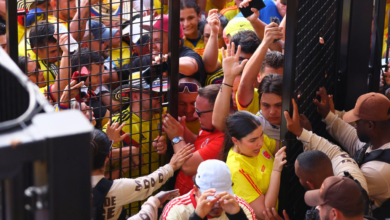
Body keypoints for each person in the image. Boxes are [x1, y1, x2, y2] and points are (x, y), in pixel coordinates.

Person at [90, 129, 194, 220]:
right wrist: (172, 166)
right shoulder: (116, 189)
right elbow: (150, 182)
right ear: (109, 154)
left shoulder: (73, 183)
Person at [314, 88, 390, 209]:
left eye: (357, 122)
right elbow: (352, 138)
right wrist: (328, 114)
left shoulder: (379, 170)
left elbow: (336, 187)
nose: (354, 126)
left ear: (370, 125)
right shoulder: (379, 140)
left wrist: (304, 136)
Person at [284, 98, 368, 192]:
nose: (354, 126)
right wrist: (303, 133)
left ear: (311, 184)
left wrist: (302, 133)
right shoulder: (354, 185)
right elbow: (335, 153)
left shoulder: (377, 170)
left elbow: (335, 153)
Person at [221, 111, 286, 219]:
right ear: (235, 141)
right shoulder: (238, 169)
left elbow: (283, 148)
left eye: (261, 135)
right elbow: (265, 214)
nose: (260, 143)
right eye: (253, 140)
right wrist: (276, 170)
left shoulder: (258, 139)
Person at [163, 84, 225, 195]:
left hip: (195, 204)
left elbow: (187, 166)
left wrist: (177, 137)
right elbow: (199, 144)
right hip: (183, 199)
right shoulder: (210, 126)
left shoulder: (222, 139)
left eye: (200, 112)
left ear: (218, 111)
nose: (195, 115)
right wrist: (181, 129)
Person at [102, 77, 168, 178]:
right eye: (154, 94)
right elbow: (98, 161)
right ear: (135, 97)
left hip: (163, 188)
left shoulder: (166, 113)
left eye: (162, 93)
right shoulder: (117, 125)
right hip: (133, 191)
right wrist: (129, 151)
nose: (161, 98)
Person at [161, 159, 256, 220]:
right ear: (195, 190)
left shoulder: (240, 207)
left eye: (222, 196)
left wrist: (238, 217)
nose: (218, 203)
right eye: (211, 197)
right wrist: (197, 217)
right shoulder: (176, 211)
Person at [126, 14, 206, 85]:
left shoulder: (188, 54)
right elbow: (120, 74)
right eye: (151, 40)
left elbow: (191, 64)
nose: (152, 45)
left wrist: (168, 63)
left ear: (176, 44)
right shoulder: (147, 59)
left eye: (158, 41)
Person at [236, 22, 283, 115]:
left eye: (279, 78)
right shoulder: (253, 97)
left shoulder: (292, 96)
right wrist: (265, 43)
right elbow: (245, 83)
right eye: (269, 77)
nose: (272, 112)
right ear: (258, 77)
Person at [212, 42, 248, 132]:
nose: (233, 97)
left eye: (238, 91)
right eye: (230, 91)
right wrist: (228, 77)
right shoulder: (227, 109)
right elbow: (218, 124)